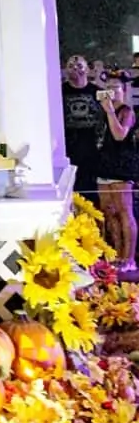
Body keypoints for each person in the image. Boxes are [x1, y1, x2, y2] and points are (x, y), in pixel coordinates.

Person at [97, 72, 138, 270]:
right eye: (109, 87)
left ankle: (129, 258)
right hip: (104, 164)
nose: (112, 91)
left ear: (124, 90)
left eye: (116, 87)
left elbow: (120, 135)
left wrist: (110, 111)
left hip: (121, 166)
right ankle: (116, 255)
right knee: (108, 212)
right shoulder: (104, 110)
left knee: (124, 212)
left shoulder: (126, 111)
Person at [62, 54, 103, 200]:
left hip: (92, 147)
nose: (75, 69)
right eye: (71, 66)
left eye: (79, 66)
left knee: (91, 191)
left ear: (87, 69)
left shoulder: (97, 91)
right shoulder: (60, 92)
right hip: (68, 147)